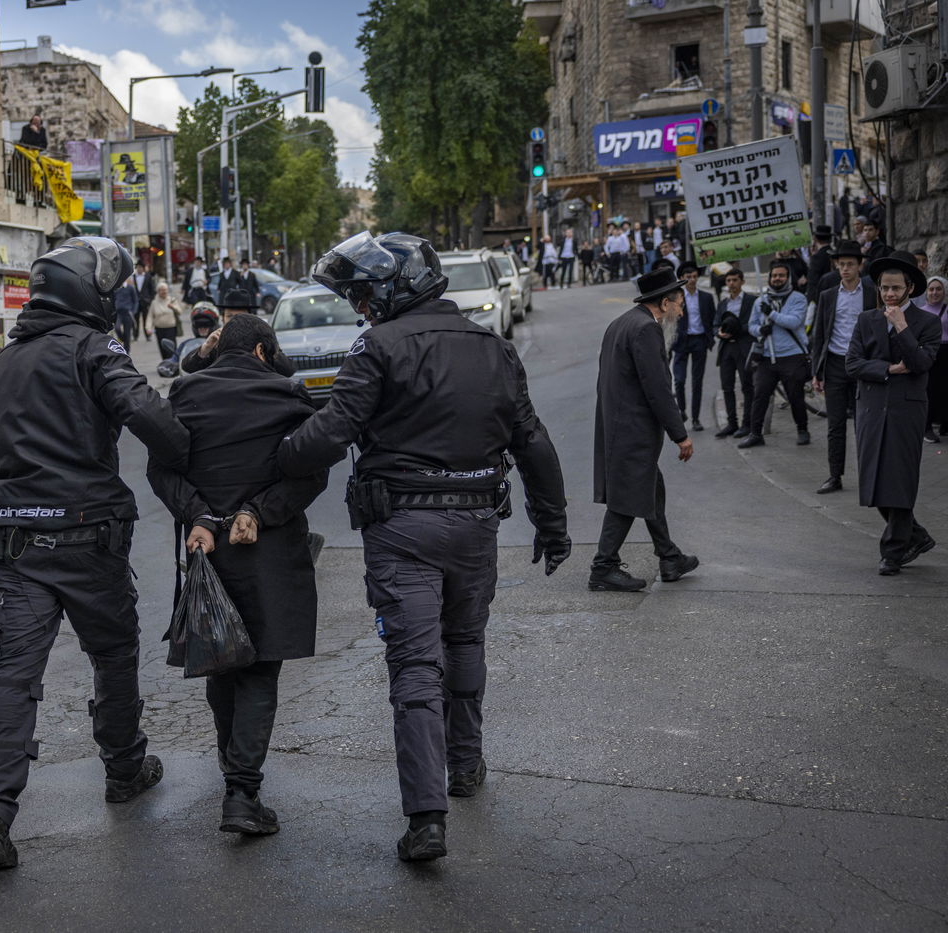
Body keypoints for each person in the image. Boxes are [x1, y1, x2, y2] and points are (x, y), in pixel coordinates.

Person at [275, 232, 571, 862]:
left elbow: (333, 432)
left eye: (363, 293)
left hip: (404, 526)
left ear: (393, 287)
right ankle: (465, 767)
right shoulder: (493, 347)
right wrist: (553, 525)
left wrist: (278, 454)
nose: (359, 305)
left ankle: (427, 816)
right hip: (476, 523)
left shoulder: (377, 346)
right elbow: (534, 442)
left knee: (415, 666)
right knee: (465, 642)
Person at [0, 237, 190, 870]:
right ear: (88, 296)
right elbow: (150, 417)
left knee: (11, 675)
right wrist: (187, 452)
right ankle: (123, 768)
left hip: (15, 543)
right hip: (88, 537)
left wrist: (20, 499)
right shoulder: (94, 348)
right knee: (114, 656)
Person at [146, 314, 329, 836]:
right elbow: (312, 472)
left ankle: (235, 775)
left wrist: (200, 515)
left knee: (222, 660)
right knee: (259, 668)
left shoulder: (185, 394)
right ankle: (242, 791)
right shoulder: (287, 395)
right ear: (262, 353)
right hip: (267, 548)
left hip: (207, 551)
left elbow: (162, 469)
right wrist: (260, 510)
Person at [591, 266, 698, 592]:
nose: (680, 312)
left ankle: (669, 557)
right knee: (627, 500)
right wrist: (680, 434)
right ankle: (603, 566)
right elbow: (658, 388)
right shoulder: (646, 330)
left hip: (617, 423)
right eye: (679, 305)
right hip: (632, 430)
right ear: (664, 303)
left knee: (651, 488)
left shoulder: (622, 322)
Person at [845, 251, 941, 575]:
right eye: (884, 288)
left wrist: (902, 327)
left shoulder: (927, 322)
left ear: (909, 288)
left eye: (895, 288)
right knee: (873, 479)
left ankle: (893, 550)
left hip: (907, 410)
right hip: (871, 408)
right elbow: (852, 363)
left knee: (899, 479)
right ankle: (916, 535)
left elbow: (922, 364)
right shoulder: (866, 320)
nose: (889, 294)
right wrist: (886, 368)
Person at [811, 241, 881, 492]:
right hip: (835, 364)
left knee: (864, 424)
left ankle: (867, 476)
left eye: (850, 264)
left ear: (860, 266)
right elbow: (819, 335)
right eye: (841, 265)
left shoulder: (873, 293)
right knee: (835, 424)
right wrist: (816, 372)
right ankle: (834, 476)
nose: (845, 269)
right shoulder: (828, 296)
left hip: (863, 364)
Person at [739, 261, 813, 449]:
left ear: (788, 278)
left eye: (781, 275)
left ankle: (802, 430)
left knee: (795, 395)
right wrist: (759, 330)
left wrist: (771, 314)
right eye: (774, 276)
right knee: (760, 394)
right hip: (766, 356)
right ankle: (756, 434)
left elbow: (794, 322)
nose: (777, 279)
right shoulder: (760, 300)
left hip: (792, 355)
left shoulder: (798, 298)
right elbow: (751, 325)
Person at [668, 261, 716, 431]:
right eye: (688, 277)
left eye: (695, 276)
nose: (692, 280)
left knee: (697, 382)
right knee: (679, 380)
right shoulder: (675, 298)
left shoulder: (706, 297)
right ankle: (682, 410)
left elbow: (712, 319)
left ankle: (696, 419)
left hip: (700, 341)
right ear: (681, 278)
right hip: (681, 342)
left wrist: (712, 337)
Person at [714, 267, 757, 439]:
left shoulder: (751, 301)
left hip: (743, 346)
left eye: (735, 280)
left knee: (747, 386)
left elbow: (755, 323)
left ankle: (747, 424)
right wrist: (719, 333)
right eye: (729, 281)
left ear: (742, 282)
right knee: (727, 386)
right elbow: (715, 324)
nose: (731, 284)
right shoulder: (723, 304)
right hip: (726, 348)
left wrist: (738, 330)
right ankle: (732, 423)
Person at [180, 286, 262, 375]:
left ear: (250, 317)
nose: (235, 320)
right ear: (222, 319)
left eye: (240, 315)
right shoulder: (216, 343)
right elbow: (188, 367)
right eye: (229, 316)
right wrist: (206, 348)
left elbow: (278, 366)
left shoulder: (261, 340)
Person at [923, 275, 948, 443]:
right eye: (931, 289)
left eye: (938, 289)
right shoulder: (920, 311)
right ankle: (926, 428)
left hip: (946, 350)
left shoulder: (947, 309)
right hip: (929, 351)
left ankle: (945, 424)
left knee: (945, 389)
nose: (934, 292)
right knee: (929, 390)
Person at [148, 282, 182, 359]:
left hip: (171, 329)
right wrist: (148, 328)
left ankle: (173, 363)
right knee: (162, 348)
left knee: (171, 348)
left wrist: (173, 307)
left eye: (165, 290)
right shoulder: (154, 302)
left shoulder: (172, 300)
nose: (164, 292)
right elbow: (150, 316)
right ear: (158, 291)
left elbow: (179, 311)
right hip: (159, 329)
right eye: (162, 290)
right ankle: (165, 363)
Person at [806, 225, 835, 299]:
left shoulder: (817, 257)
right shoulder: (834, 254)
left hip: (821, 296)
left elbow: (813, 281)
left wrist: (811, 300)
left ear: (815, 239)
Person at [112, 275, 139, 348]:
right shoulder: (116, 289)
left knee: (127, 333)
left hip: (128, 313)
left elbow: (135, 301)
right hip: (118, 313)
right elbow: (113, 300)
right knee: (117, 328)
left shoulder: (131, 288)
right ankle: (123, 339)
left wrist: (133, 311)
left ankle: (127, 350)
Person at [133, 261, 156, 341]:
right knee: (135, 320)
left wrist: (150, 300)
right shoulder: (133, 277)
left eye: (141, 267)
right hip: (135, 302)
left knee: (146, 319)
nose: (139, 269)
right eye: (138, 267)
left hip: (145, 301)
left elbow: (152, 289)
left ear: (143, 268)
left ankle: (148, 336)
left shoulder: (148, 276)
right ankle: (135, 335)